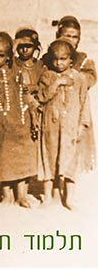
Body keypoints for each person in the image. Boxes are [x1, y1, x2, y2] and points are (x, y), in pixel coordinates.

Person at [0, 32, 37, 208]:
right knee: (3, 159)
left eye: (0, 56)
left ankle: (22, 195)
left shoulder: (17, 73)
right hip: (0, 125)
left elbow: (27, 96)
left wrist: (33, 116)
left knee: (22, 158)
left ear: (8, 57)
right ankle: (7, 195)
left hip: (20, 122)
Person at [38, 39, 91, 209]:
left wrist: (82, 126)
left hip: (71, 128)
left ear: (71, 60)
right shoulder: (47, 76)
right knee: (49, 158)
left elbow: (84, 103)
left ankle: (69, 198)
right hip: (51, 127)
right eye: (55, 59)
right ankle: (47, 197)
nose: (59, 63)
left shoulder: (79, 79)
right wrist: (57, 82)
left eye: (63, 59)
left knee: (71, 161)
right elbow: (42, 97)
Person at [53, 16, 96, 172]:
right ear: (58, 35)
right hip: (55, 109)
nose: (71, 40)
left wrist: (74, 77)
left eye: (75, 36)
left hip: (75, 109)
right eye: (67, 35)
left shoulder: (83, 59)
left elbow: (91, 77)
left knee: (74, 151)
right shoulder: (53, 58)